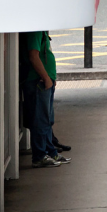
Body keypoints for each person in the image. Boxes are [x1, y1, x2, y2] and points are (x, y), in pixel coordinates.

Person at [21, 31, 69, 167]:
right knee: (40, 120)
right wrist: (47, 78)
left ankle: (50, 152)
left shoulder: (40, 31)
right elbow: (33, 56)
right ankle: (40, 156)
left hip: (44, 82)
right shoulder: (35, 31)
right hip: (38, 82)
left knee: (47, 120)